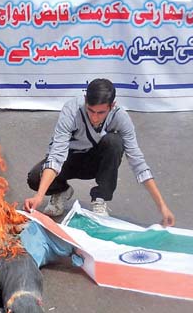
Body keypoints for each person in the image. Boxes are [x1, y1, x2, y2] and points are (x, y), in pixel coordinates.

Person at [24, 79, 175, 226]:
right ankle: (62, 191)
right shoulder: (71, 110)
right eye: (91, 110)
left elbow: (138, 163)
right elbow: (56, 156)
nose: (95, 117)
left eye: (101, 112)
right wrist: (39, 196)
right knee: (34, 177)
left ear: (112, 106)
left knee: (114, 142)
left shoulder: (121, 118)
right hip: (67, 160)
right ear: (85, 100)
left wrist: (162, 206)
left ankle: (100, 199)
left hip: (95, 163)